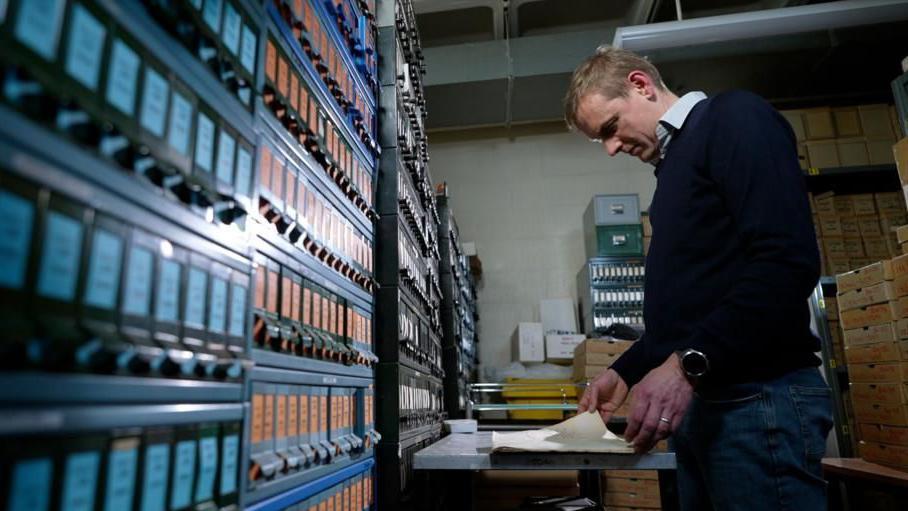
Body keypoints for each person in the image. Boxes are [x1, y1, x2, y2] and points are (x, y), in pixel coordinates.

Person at [565, 46, 833, 510]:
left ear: (640, 85)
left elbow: (786, 262)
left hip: (755, 403)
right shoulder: (672, 170)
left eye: (609, 128)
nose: (611, 148)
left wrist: (687, 365)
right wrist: (623, 372)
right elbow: (692, 309)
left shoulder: (732, 119)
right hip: (706, 403)